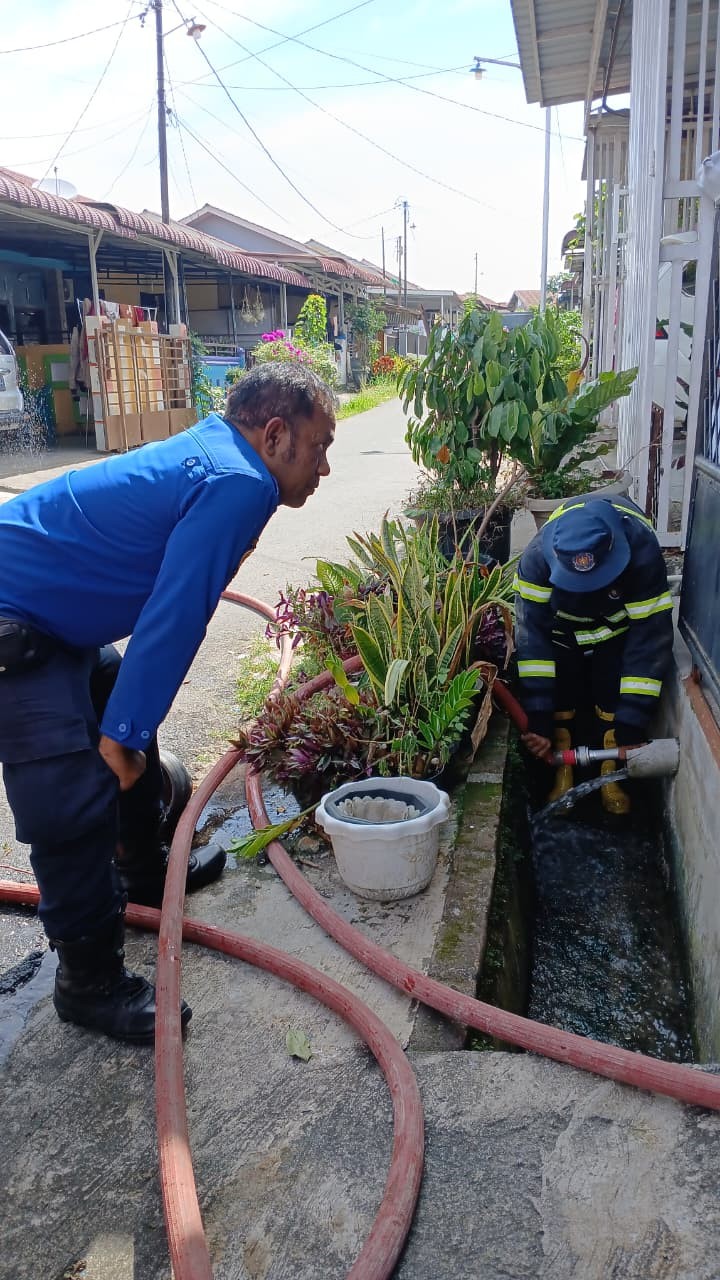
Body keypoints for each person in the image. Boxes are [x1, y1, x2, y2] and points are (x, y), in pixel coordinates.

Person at [0, 363, 335, 1044]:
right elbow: (176, 616)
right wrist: (118, 738)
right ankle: (88, 983)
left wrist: (128, 729)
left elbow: (168, 609)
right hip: (14, 622)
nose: (325, 467)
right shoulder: (238, 481)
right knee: (71, 794)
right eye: (320, 445)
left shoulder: (225, 455)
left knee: (123, 707)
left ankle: (145, 880)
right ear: (275, 436)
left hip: (53, 617)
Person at [514, 494, 674, 814]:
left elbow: (650, 640)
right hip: (563, 634)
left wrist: (632, 722)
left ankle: (611, 775)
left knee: (613, 688)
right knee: (561, 687)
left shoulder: (641, 550)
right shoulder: (535, 561)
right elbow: (533, 642)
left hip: (618, 632)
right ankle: (563, 770)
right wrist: (540, 718)